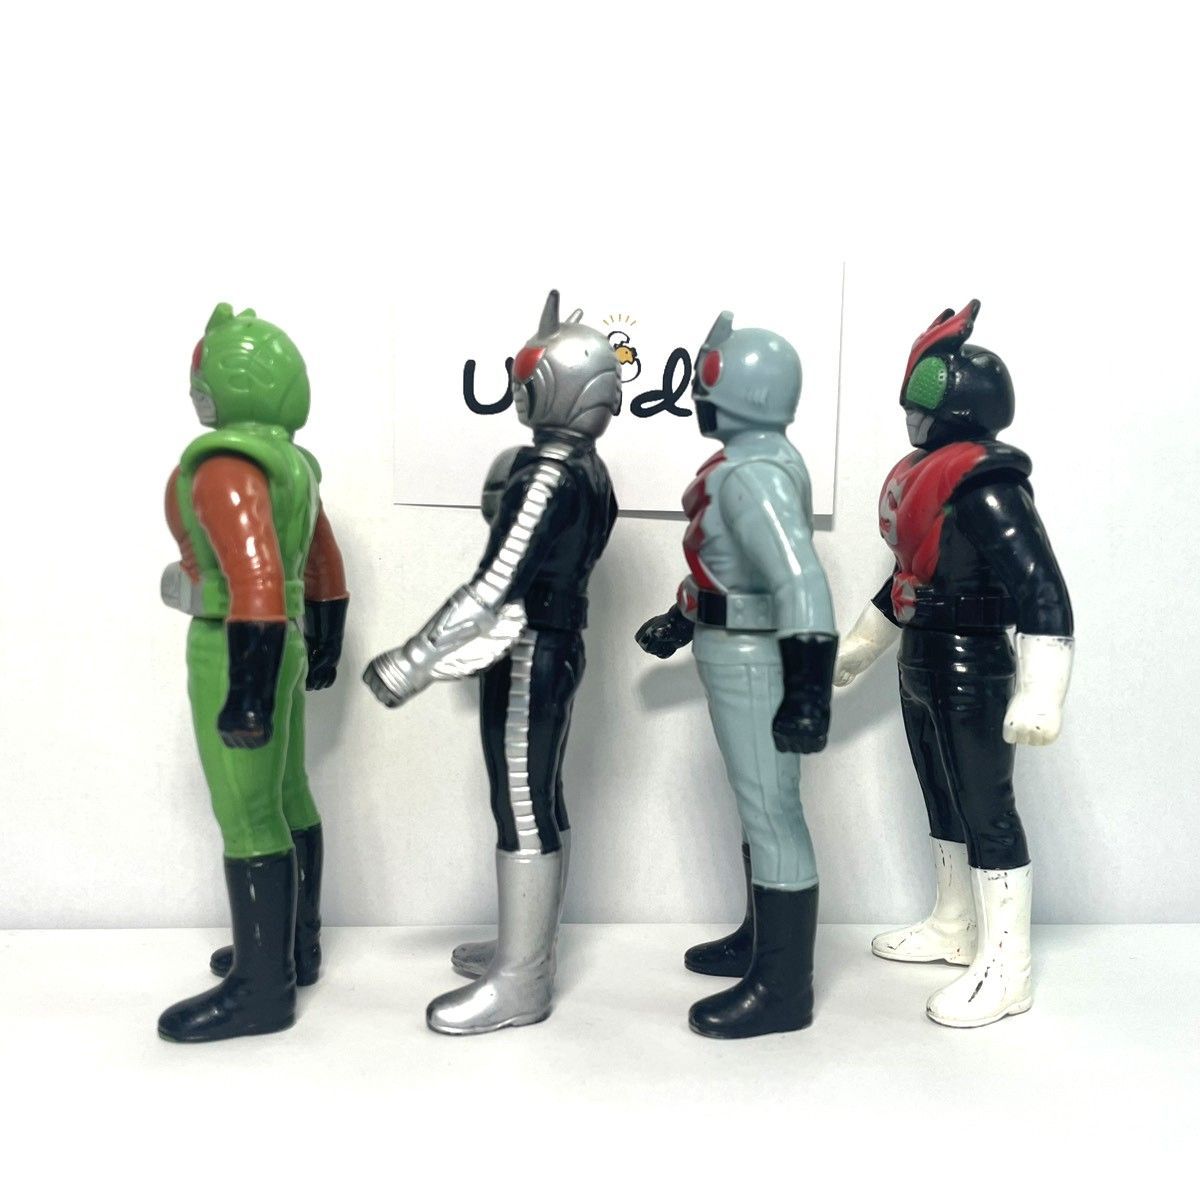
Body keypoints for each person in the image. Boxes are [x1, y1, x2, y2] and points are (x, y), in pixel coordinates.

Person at [159, 303, 348, 1042]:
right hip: (283, 640)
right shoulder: (294, 464)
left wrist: (245, 693)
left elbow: (257, 576)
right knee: (289, 792)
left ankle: (262, 988)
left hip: (235, 641)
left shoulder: (226, 466)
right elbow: (322, 561)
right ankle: (293, 947)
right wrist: (325, 637)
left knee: (247, 814)